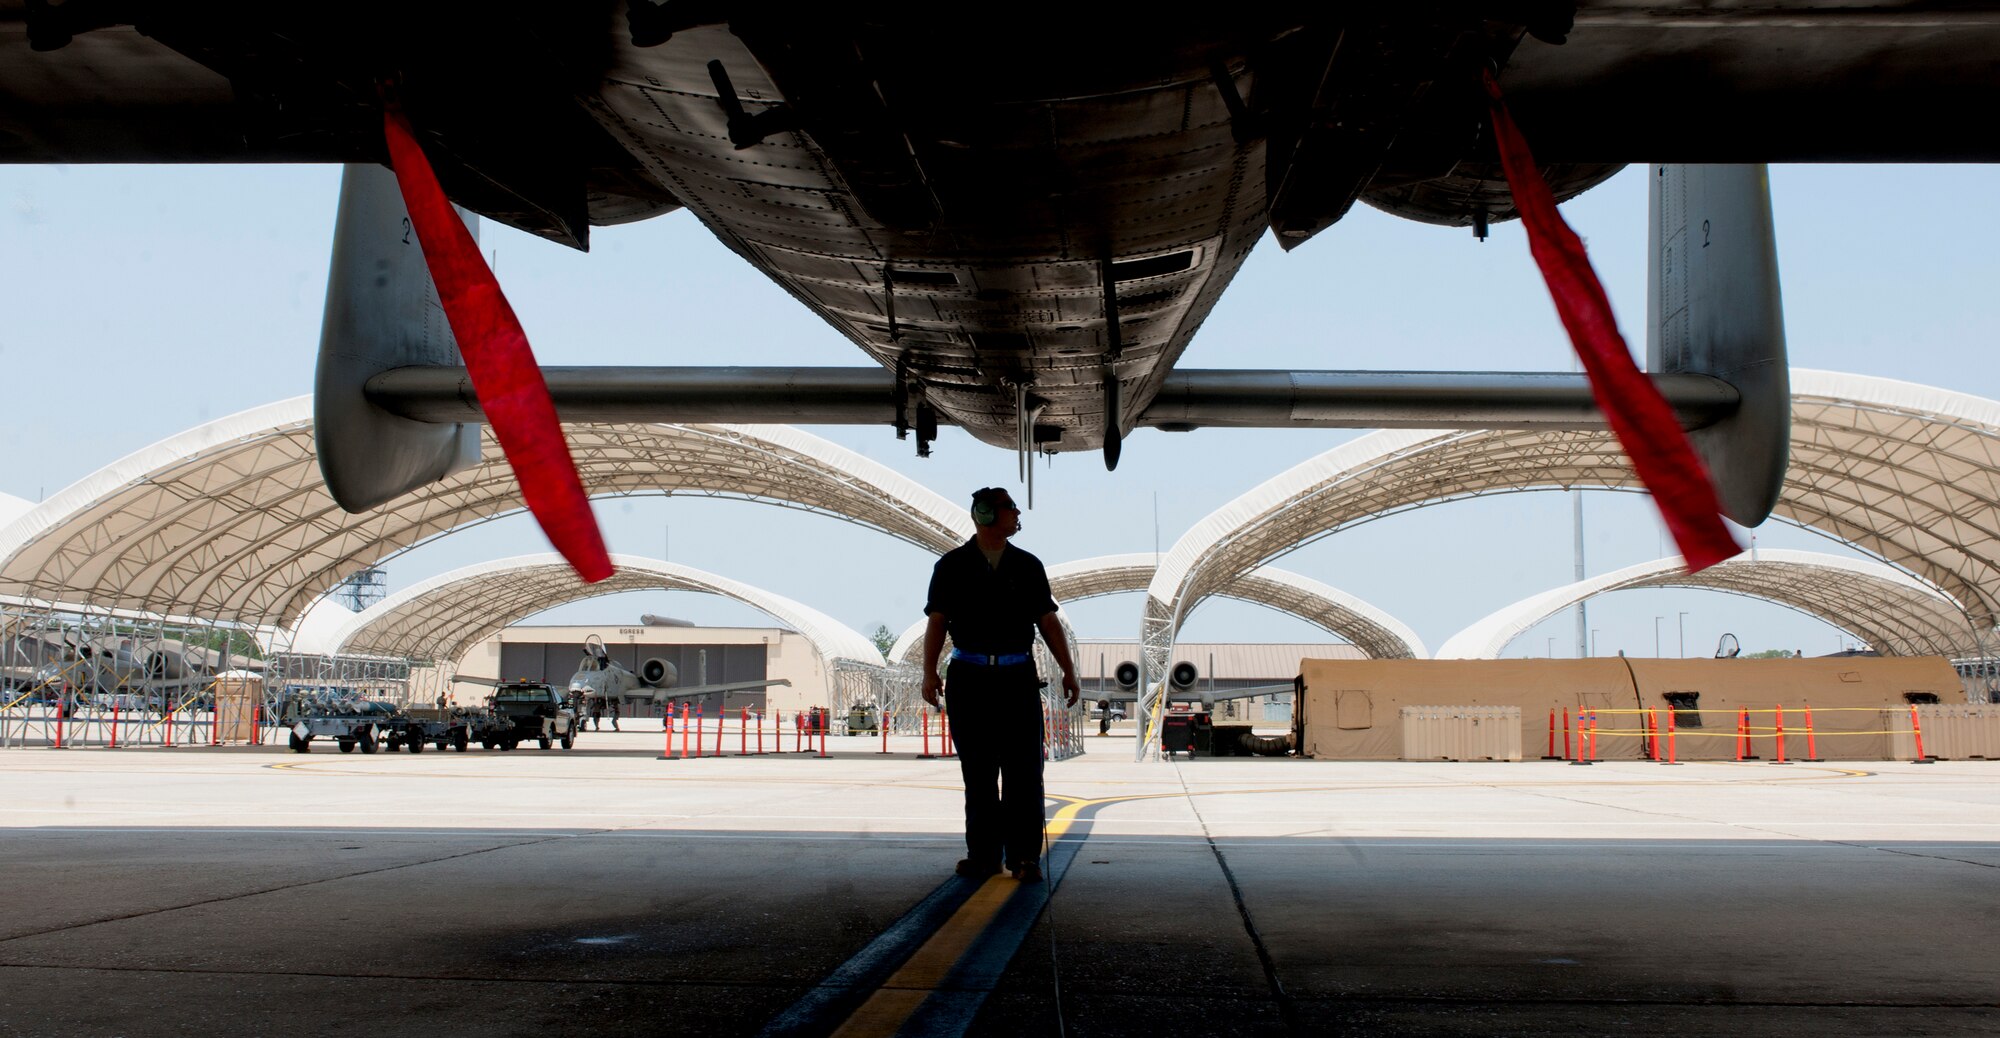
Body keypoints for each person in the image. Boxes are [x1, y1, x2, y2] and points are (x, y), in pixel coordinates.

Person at [922, 486, 1080, 883]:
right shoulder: (952, 566)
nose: (1016, 514)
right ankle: (983, 856)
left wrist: (1068, 670)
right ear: (986, 514)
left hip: (1016, 680)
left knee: (1024, 772)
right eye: (1010, 508)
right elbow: (937, 622)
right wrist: (929, 672)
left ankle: (1024, 856)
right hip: (969, 680)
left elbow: (1047, 621)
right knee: (978, 773)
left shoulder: (1028, 566)